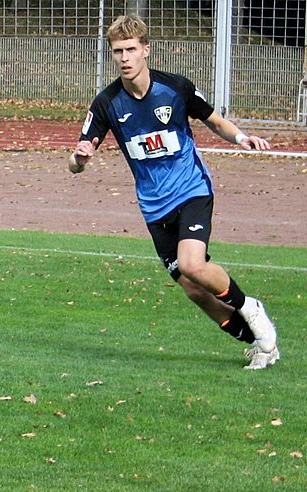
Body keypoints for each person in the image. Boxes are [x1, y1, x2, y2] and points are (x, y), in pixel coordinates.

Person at [68, 14, 279, 369]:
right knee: (194, 289)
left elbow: (214, 120)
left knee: (192, 264)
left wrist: (242, 137)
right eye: (118, 51)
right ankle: (258, 342)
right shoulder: (107, 103)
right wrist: (79, 158)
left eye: (131, 49)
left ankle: (251, 308)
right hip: (154, 208)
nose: (124, 58)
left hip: (191, 189)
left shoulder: (175, 88)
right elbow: (74, 163)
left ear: (146, 50)